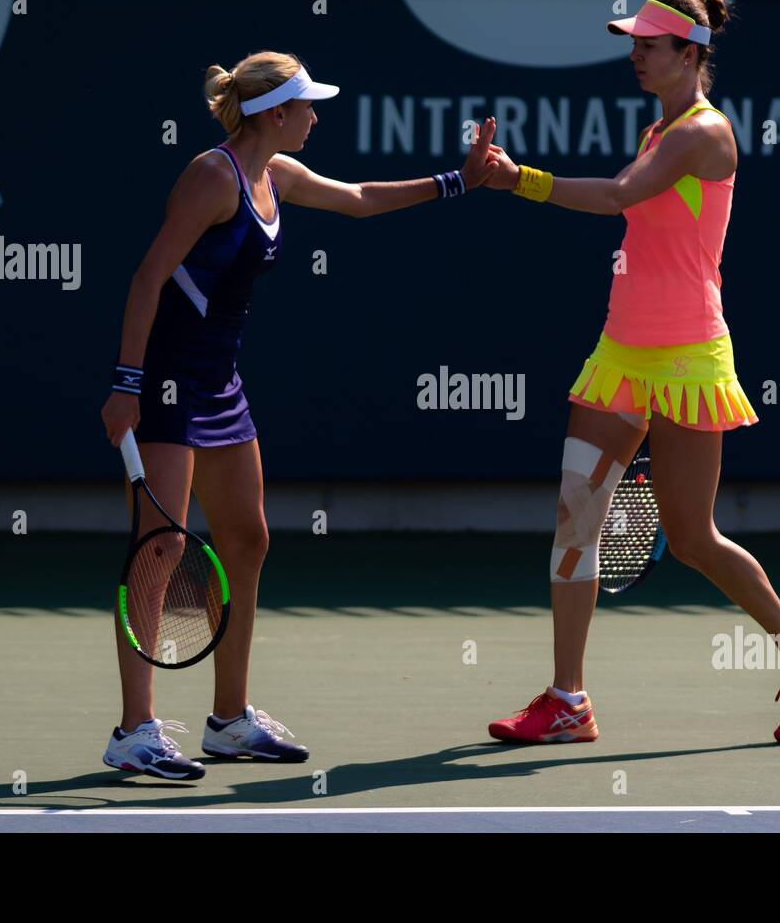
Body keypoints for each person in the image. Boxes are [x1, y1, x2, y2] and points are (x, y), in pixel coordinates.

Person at [100, 51, 500, 778]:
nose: (317, 116)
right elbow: (149, 275)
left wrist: (459, 182)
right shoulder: (211, 176)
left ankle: (228, 720)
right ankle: (134, 729)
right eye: (308, 105)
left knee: (247, 540)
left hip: (221, 384)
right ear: (274, 113)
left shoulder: (275, 175)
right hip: (167, 385)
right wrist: (127, 383)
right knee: (159, 549)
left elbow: (359, 198)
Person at [479, 0, 780, 745]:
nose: (636, 52)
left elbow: (619, 197)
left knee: (691, 539)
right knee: (575, 522)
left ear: (690, 55)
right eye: (633, 42)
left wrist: (520, 180)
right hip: (621, 354)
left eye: (651, 43)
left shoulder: (703, 133)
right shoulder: (660, 127)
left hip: (688, 359)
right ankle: (568, 699)